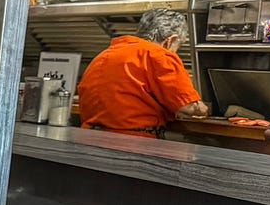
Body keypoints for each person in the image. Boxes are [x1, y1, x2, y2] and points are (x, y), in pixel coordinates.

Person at [77, 7, 209, 137]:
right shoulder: (159, 55)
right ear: (170, 41)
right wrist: (201, 108)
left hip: (90, 137)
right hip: (131, 142)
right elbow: (187, 108)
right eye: (177, 47)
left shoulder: (105, 54)